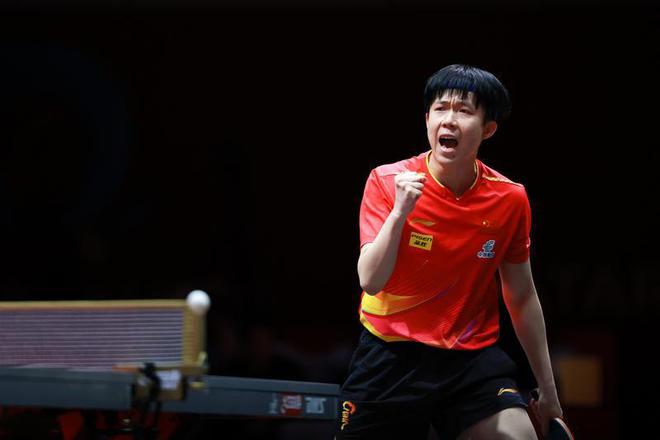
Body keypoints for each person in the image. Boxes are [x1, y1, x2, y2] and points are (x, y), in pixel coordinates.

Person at [337, 64, 562, 439]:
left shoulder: (509, 198)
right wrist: (400, 213)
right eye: (440, 109)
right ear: (427, 119)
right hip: (392, 354)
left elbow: (522, 296)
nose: (449, 120)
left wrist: (548, 389)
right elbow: (371, 280)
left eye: (464, 111)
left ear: (488, 129)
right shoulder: (388, 181)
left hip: (469, 360)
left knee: (518, 435)